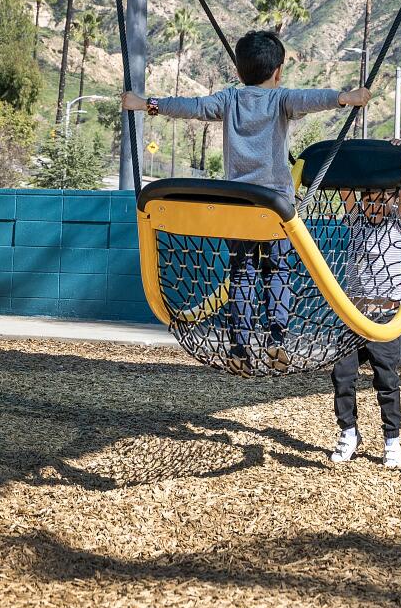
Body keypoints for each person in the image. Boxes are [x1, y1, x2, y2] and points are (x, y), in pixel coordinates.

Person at [125, 29, 366, 371]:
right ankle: (276, 338)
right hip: (274, 208)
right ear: (279, 71)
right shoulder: (281, 99)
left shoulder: (228, 100)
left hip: (237, 206)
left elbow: (191, 107)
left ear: (238, 71)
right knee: (278, 270)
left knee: (241, 274)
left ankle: (239, 346)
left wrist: (146, 104)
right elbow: (311, 99)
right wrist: (345, 97)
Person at [331, 337, 401, 467]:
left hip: (384, 323)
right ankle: (349, 432)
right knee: (342, 375)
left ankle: (392, 439)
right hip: (352, 324)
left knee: (387, 381)